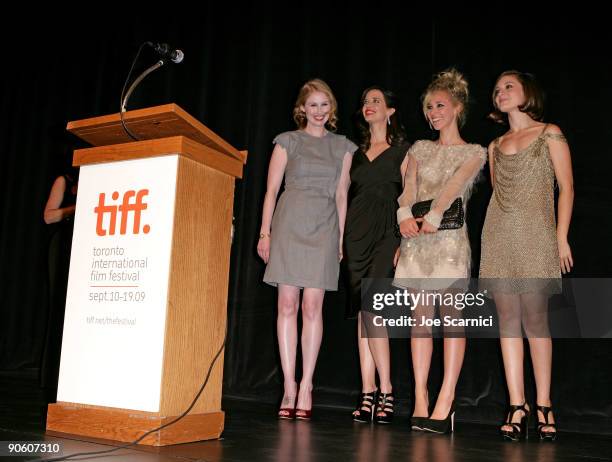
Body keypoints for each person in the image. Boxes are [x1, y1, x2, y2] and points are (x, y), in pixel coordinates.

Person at [480, 70, 574, 441]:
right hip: (498, 234)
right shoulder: (494, 145)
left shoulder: (550, 132)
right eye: (497, 88)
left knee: (536, 320)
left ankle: (544, 403)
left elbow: (566, 187)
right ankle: (517, 404)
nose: (501, 92)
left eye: (508, 86)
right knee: (507, 319)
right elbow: (497, 195)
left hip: (536, 233)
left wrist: (561, 238)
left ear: (526, 93)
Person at [257, 78, 357, 420]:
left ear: (332, 109)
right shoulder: (287, 142)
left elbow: (343, 194)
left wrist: (341, 238)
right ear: (302, 108)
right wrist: (264, 234)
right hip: (288, 225)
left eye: (324, 104)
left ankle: (307, 385)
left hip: (324, 228)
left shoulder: (344, 146)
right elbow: (270, 191)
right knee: (287, 304)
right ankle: (288, 384)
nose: (318, 111)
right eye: (312, 105)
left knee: (313, 307)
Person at [394, 69, 486, 433]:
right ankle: (420, 398)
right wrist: (404, 217)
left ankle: (446, 400)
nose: (433, 112)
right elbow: (408, 188)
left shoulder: (474, 152)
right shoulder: (419, 148)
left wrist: (433, 215)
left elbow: (455, 187)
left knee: (451, 319)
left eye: (440, 105)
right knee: (420, 319)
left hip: (447, 239)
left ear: (457, 107)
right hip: (417, 239)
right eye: (429, 107)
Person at [343, 86, 409, 424]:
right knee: (363, 315)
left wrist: (403, 243)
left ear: (391, 111)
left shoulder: (404, 153)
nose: (369, 105)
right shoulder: (352, 154)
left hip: (387, 234)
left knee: (374, 308)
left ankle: (387, 390)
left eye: (376, 101)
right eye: (365, 100)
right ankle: (367, 393)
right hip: (355, 236)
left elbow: (409, 199)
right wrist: (341, 239)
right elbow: (342, 197)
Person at [41, 169, 78, 397]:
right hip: (62, 246)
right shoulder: (63, 180)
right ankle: (50, 375)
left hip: (84, 243)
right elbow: (49, 216)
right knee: (59, 309)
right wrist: (78, 206)